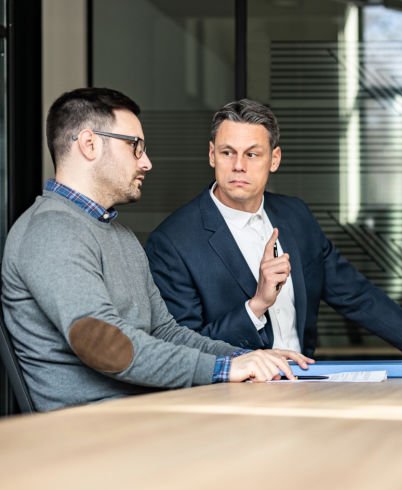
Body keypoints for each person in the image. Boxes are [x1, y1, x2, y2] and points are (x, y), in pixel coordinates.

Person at [1, 88, 308, 412]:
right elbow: (105, 346)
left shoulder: (118, 234)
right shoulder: (51, 232)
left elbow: (165, 332)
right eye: (135, 147)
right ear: (89, 144)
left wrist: (244, 358)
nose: (146, 162)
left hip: (148, 415)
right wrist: (224, 370)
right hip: (96, 434)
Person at [145, 99, 402, 369]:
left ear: (274, 159)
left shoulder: (295, 216)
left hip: (308, 385)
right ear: (211, 155)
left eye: (253, 154)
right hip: (228, 398)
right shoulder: (173, 241)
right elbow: (184, 349)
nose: (239, 165)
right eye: (228, 152)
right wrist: (256, 306)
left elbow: (358, 298)